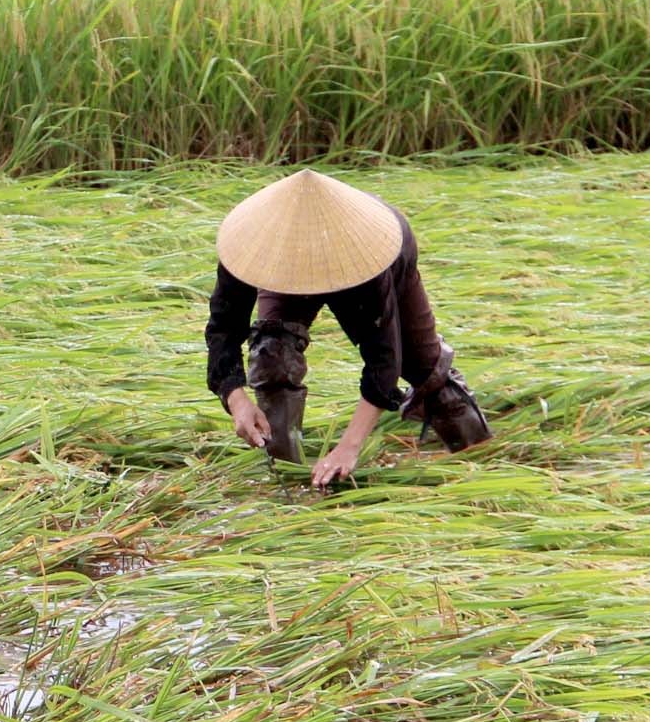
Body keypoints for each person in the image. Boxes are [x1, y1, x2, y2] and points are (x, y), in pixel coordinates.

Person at [204, 168, 490, 488]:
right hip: (286, 257)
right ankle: (289, 478)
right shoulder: (252, 245)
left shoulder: (370, 256)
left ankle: (478, 464)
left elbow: (385, 360)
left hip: (370, 250)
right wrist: (236, 399)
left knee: (426, 371)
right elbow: (223, 329)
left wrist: (347, 448)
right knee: (272, 354)